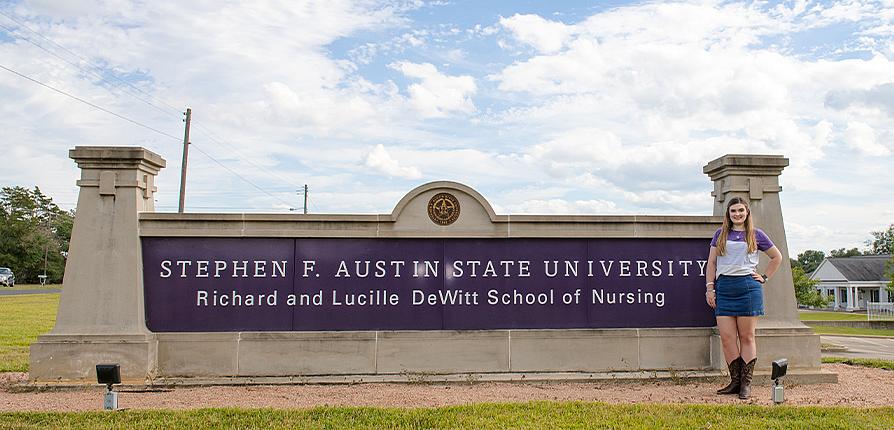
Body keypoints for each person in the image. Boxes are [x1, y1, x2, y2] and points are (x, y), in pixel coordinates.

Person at [705, 196, 782, 400]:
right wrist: (710, 288)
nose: (737, 214)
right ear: (728, 214)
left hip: (748, 288)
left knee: (747, 337)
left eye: (741, 210)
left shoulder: (756, 234)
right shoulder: (720, 234)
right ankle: (735, 382)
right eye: (733, 211)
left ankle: (746, 385)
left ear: (747, 213)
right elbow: (711, 263)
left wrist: (764, 277)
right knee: (727, 338)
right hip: (724, 288)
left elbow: (777, 257)